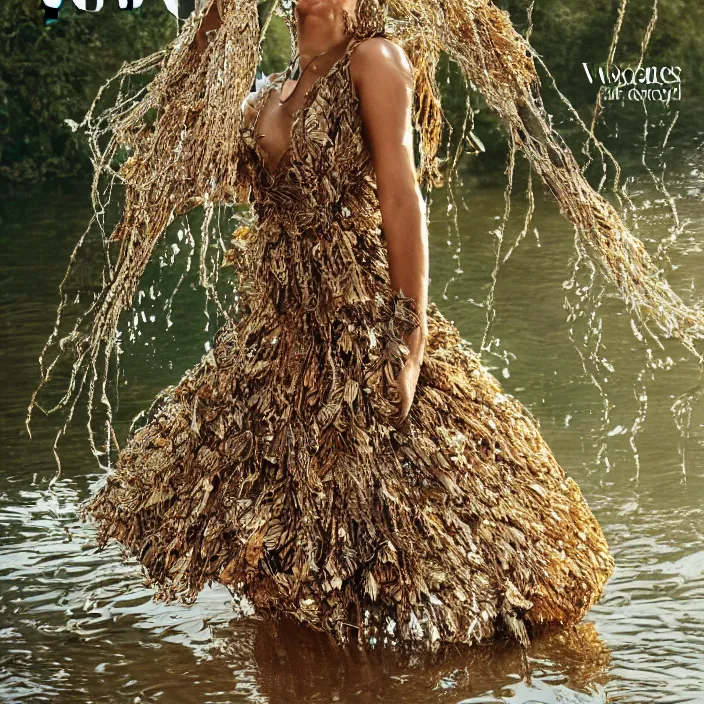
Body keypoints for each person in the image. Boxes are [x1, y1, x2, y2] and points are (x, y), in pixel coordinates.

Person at [31, 0, 648, 652]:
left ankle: (442, 669)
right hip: (275, 343)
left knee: (434, 515)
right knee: (251, 533)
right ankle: (315, 669)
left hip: (358, 329)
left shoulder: (374, 60)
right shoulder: (271, 89)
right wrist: (212, 22)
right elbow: (181, 139)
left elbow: (402, 199)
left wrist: (409, 343)